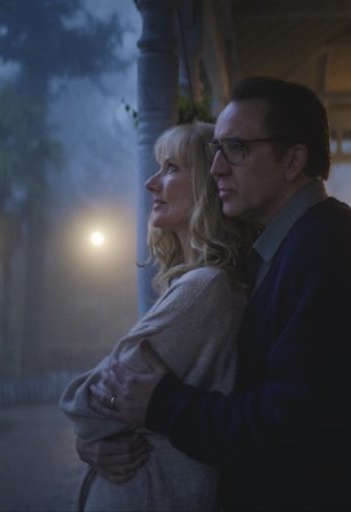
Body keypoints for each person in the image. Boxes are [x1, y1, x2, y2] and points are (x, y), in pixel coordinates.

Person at [86, 77, 351, 511]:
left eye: (237, 149)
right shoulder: (293, 249)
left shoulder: (334, 252)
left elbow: (292, 426)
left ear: (293, 161)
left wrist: (163, 404)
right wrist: (99, 439)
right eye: (217, 149)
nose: (216, 168)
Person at [59, 121, 252, 511]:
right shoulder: (198, 284)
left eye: (171, 168)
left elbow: (85, 409)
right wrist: (90, 442)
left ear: (207, 185)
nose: (151, 183)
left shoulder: (205, 288)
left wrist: (88, 426)